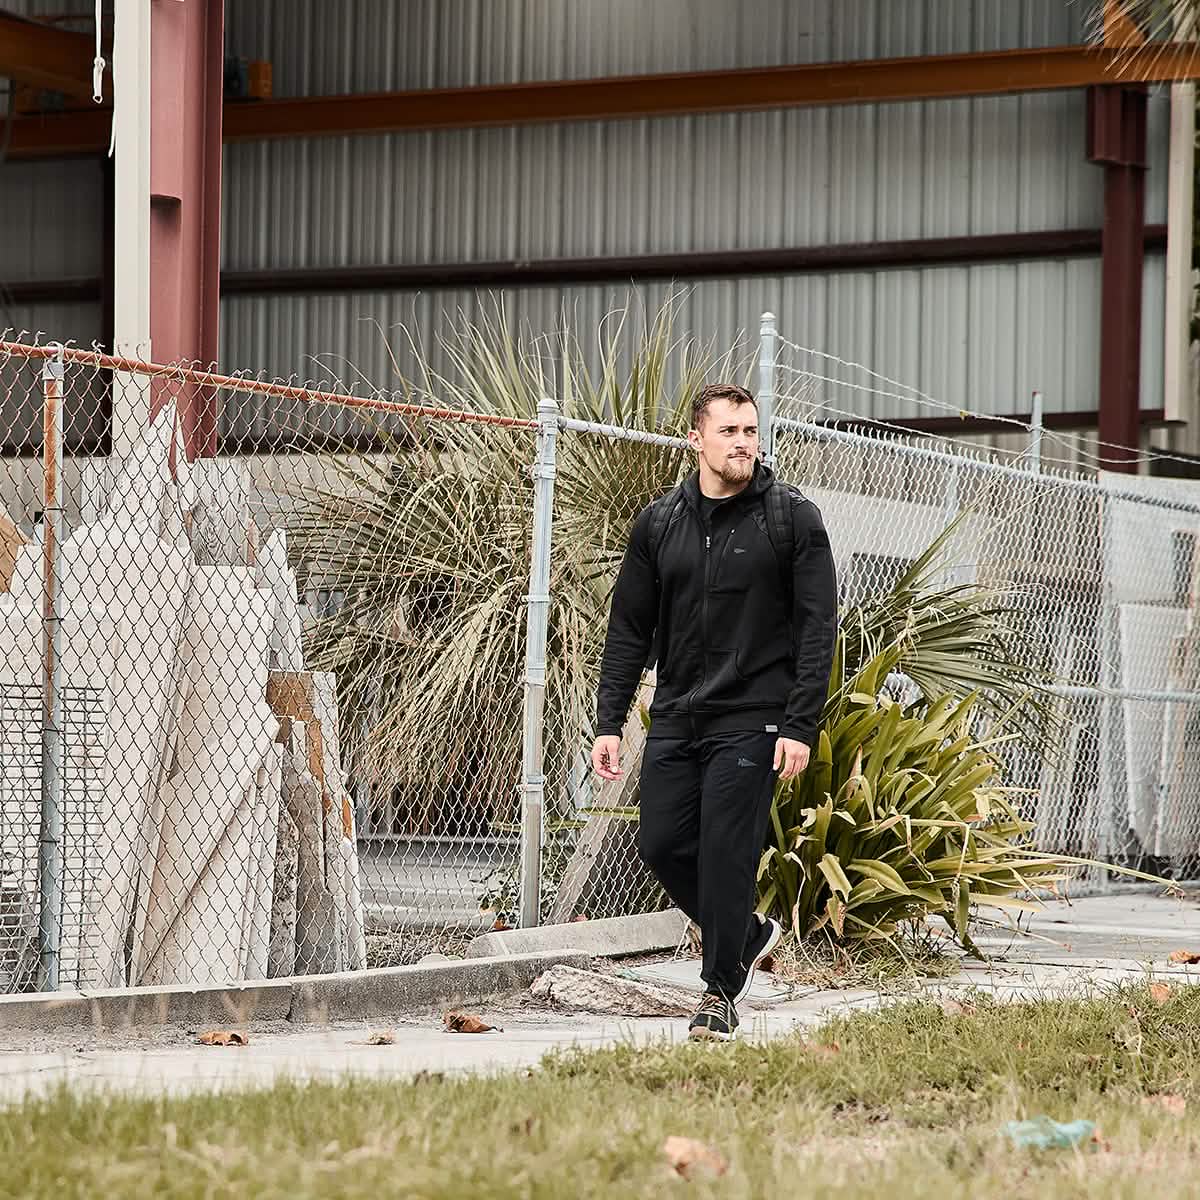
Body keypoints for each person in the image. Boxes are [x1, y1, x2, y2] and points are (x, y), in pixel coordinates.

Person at [591, 383, 837, 1041]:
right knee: (662, 844)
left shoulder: (792, 520)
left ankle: (718, 994)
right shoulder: (660, 524)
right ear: (695, 439)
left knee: (727, 852)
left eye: (750, 430)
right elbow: (628, 629)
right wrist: (610, 720)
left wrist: (799, 724)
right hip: (677, 713)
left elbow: (819, 630)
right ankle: (748, 934)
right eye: (728, 431)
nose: (743, 443)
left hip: (755, 717)